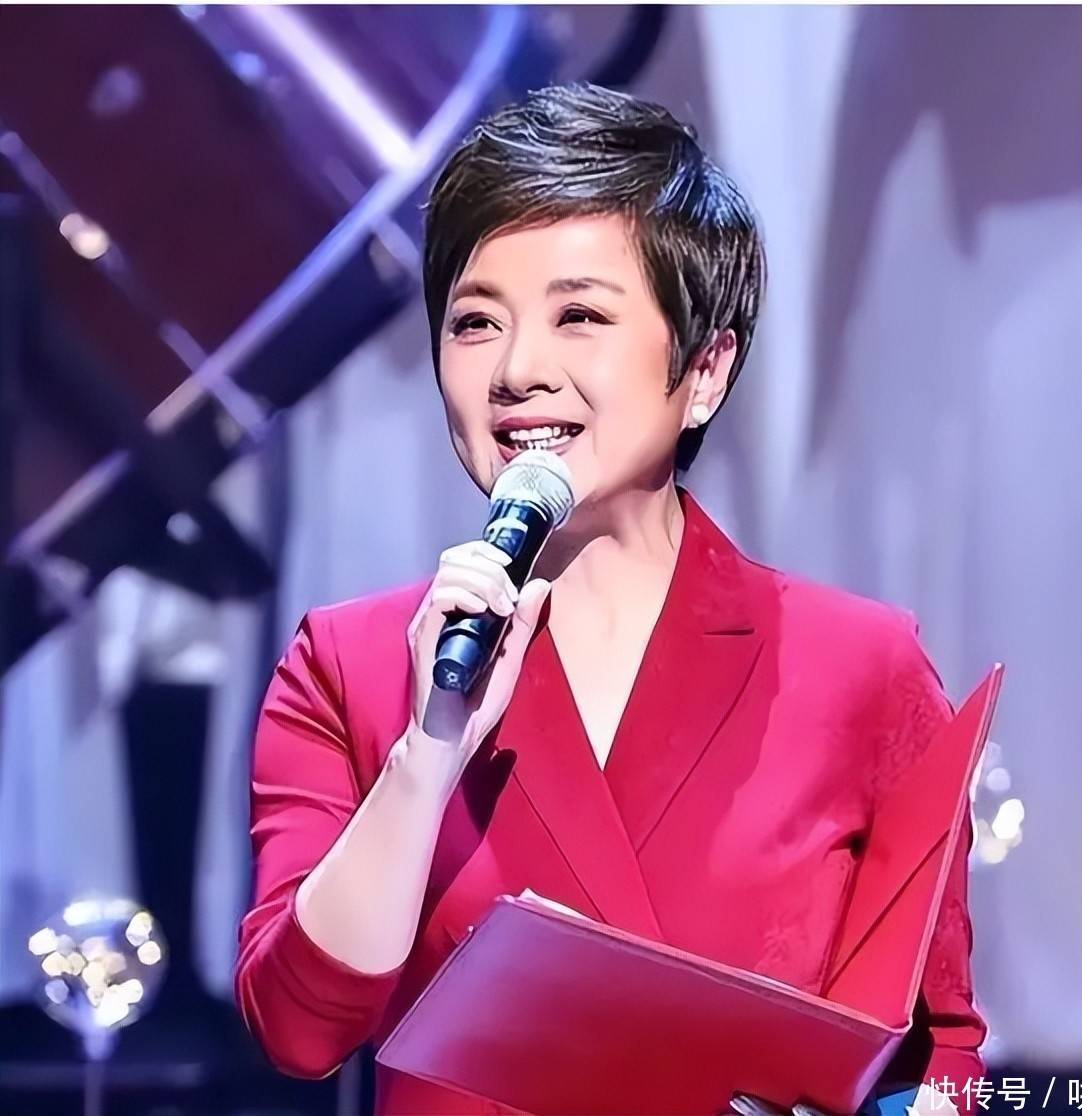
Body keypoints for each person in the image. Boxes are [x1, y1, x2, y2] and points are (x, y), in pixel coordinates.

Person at [234, 82, 988, 1116]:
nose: (517, 370)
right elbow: (299, 1029)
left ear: (706, 369)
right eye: (474, 322)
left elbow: (936, 1054)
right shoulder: (350, 664)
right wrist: (426, 755)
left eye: (579, 316)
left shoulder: (858, 665)